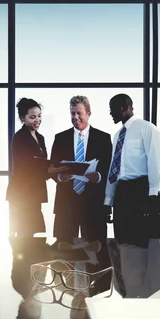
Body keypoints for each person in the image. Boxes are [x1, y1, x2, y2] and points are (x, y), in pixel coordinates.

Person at [103, 93, 160, 247]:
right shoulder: (117, 135)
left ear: (125, 108)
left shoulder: (147, 129)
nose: (110, 113)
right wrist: (108, 200)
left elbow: (154, 161)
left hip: (141, 191)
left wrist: (153, 193)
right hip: (122, 193)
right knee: (122, 243)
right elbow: (114, 169)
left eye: (113, 109)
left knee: (145, 244)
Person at [50, 95, 112, 242]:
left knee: (96, 255)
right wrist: (59, 177)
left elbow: (109, 168)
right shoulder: (60, 138)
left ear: (88, 114)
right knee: (63, 253)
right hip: (66, 204)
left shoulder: (103, 138)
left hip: (93, 204)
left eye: (79, 113)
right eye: (72, 113)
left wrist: (98, 176)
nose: (75, 117)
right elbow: (52, 167)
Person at [6, 98, 65, 237]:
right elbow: (28, 164)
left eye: (39, 116)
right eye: (32, 117)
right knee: (24, 233)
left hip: (34, 192)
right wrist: (49, 170)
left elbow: (42, 163)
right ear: (23, 118)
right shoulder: (19, 138)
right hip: (22, 193)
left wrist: (54, 172)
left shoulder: (40, 137)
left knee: (34, 233)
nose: (37, 120)